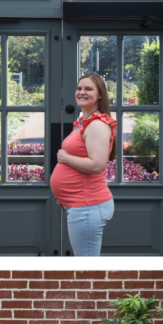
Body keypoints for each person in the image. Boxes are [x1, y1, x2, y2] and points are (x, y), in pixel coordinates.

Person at [50, 72, 118, 257]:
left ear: (100, 94)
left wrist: (64, 158)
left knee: (87, 269)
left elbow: (96, 165)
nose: (82, 92)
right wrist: (66, 194)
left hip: (88, 206)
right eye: (79, 88)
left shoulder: (96, 125)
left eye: (88, 89)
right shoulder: (84, 122)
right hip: (81, 204)